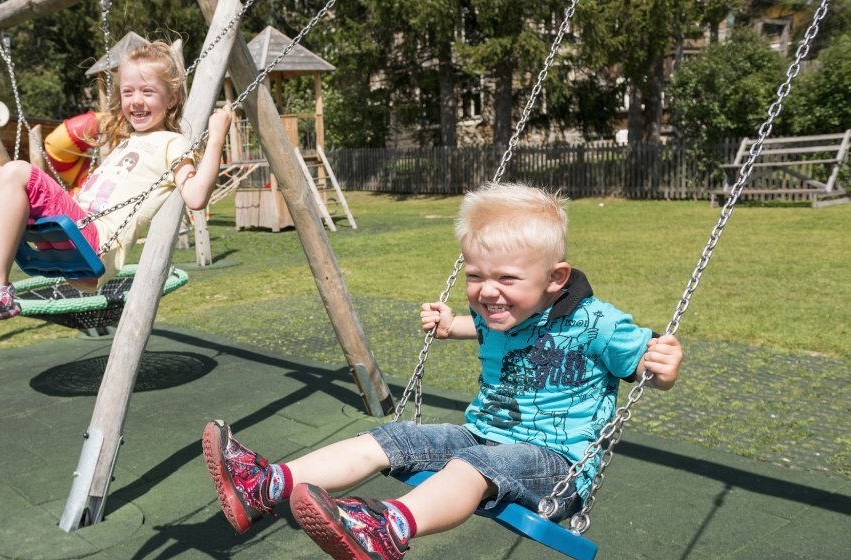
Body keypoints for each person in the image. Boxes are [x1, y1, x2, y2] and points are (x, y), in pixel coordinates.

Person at [202, 183, 683, 560]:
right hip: (483, 434)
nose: (488, 292)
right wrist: (451, 325)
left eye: (506, 279)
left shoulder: (598, 323)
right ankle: (262, 487)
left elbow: (648, 369)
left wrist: (661, 366)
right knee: (392, 439)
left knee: (471, 468)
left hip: (556, 466)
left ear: (555, 279)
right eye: (475, 276)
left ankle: (386, 530)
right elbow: (489, 327)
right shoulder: (501, 311)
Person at [0, 40, 231, 333]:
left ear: (171, 98)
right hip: (68, 235)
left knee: (17, 171)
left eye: (148, 91)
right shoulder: (125, 144)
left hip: (93, 244)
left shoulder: (173, 143)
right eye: (128, 91)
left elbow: (196, 196)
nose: (136, 100)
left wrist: (216, 136)